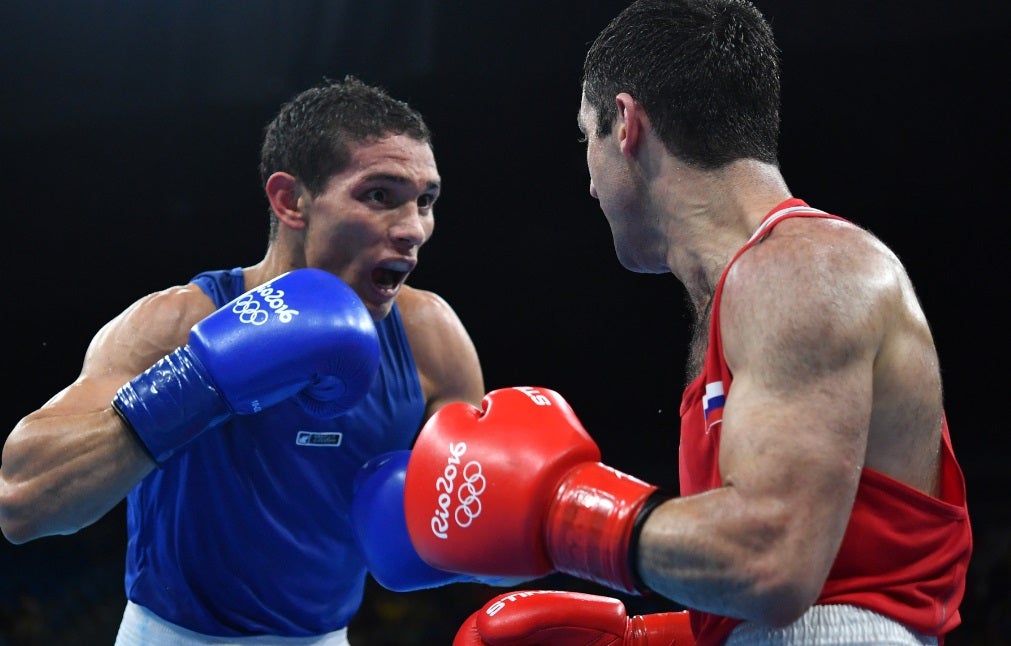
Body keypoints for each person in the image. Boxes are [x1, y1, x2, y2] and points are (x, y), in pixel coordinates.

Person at [392, 1, 973, 644]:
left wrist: (565, 514)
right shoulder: (753, 291)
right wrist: (646, 638)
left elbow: (773, 563)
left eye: (586, 137)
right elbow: (814, 593)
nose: (590, 184)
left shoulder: (802, 269)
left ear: (626, 124)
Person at [0, 75, 491, 644]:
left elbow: (479, 513)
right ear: (290, 200)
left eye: (425, 201)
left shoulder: (430, 337)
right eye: (379, 195)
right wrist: (197, 382)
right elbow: (22, 503)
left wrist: (556, 527)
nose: (412, 230)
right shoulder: (178, 323)